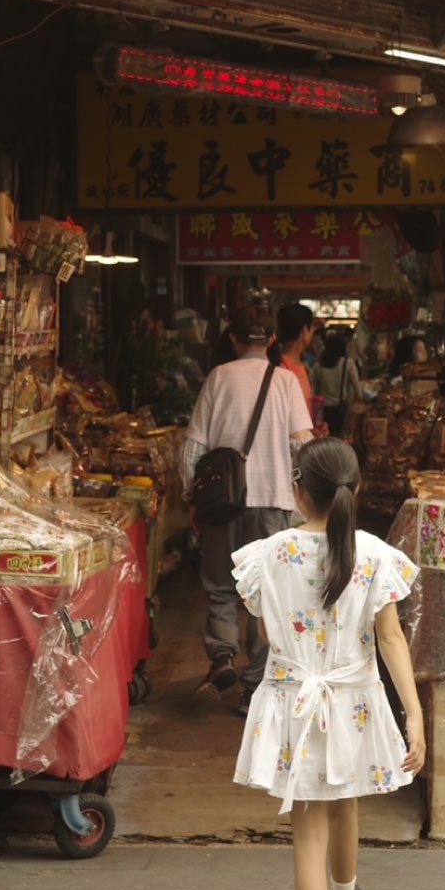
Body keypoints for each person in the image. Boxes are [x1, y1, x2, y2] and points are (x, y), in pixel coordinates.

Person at [230, 437, 425, 890]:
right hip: (356, 700)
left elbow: (268, 635)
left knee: (309, 827)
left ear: (297, 492)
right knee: (346, 799)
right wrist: (413, 714)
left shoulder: (268, 554)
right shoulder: (373, 554)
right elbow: (390, 638)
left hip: (295, 701)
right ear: (355, 490)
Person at [182, 308, 313, 714]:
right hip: (273, 500)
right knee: (266, 595)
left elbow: (193, 448)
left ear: (234, 340)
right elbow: (301, 444)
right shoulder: (286, 380)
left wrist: (193, 496)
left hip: (223, 502)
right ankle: (254, 687)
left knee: (221, 585)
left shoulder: (217, 377)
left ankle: (222, 656)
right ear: (271, 340)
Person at [310, 333, 361, 437]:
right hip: (342, 411)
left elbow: (314, 391)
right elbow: (358, 390)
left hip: (323, 411)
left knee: (324, 439)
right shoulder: (348, 363)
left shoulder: (318, 366)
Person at [276, 302, 317, 415]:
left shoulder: (303, 365)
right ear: (304, 330)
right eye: (311, 329)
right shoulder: (281, 369)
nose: (313, 333)